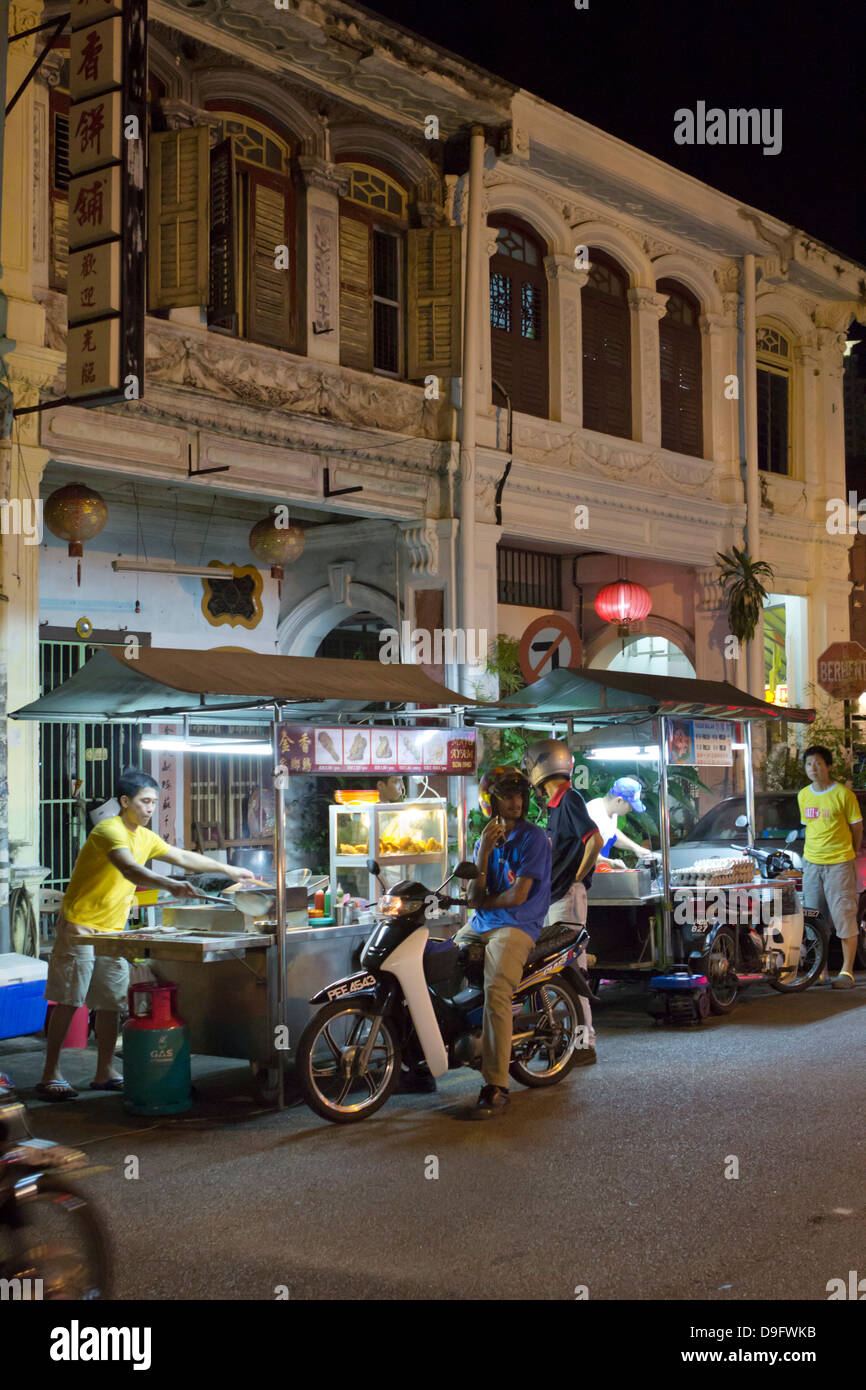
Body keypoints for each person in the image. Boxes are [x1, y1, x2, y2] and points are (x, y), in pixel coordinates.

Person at [37, 767, 255, 1100]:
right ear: (125, 801)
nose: (150, 809)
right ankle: (50, 1073)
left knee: (110, 1003)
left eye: (155, 802)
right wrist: (171, 884)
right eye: (145, 801)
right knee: (70, 1000)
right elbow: (129, 868)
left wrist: (227, 869)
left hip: (114, 929)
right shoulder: (108, 831)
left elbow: (182, 857)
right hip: (80, 924)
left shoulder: (145, 836)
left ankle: (104, 1071)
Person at [455, 766, 551, 1119]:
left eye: (518, 795)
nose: (514, 802)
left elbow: (517, 896)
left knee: (497, 990)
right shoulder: (485, 840)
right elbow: (473, 894)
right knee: (436, 965)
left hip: (517, 925)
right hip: (480, 923)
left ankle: (496, 1083)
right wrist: (482, 856)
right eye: (506, 795)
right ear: (490, 802)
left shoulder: (534, 838)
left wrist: (481, 903)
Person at [524, 739, 603, 1064]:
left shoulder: (570, 799)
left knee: (572, 970)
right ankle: (563, 1039)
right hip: (556, 899)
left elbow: (594, 839)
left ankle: (584, 1044)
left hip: (567, 900)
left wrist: (575, 879)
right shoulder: (556, 804)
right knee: (552, 971)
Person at [797, 745, 862, 990]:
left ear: (828, 766)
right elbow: (808, 827)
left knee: (843, 915)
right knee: (814, 917)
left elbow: (857, 827)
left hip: (839, 863)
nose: (813, 768)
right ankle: (820, 971)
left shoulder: (844, 794)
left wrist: (852, 853)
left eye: (817, 763)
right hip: (812, 863)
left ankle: (846, 971)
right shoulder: (803, 795)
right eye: (808, 764)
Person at [585, 778, 651, 864]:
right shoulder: (594, 814)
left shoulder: (611, 812)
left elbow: (612, 833)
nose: (631, 809)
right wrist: (611, 863)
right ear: (619, 800)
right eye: (630, 805)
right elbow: (585, 853)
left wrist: (636, 848)